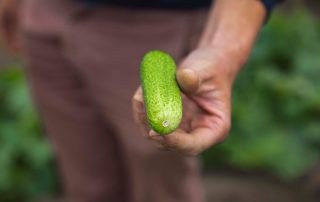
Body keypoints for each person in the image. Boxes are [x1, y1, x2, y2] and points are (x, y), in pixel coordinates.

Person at [0, 0, 283, 201]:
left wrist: (223, 49)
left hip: (158, 20)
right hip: (44, 15)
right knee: (87, 183)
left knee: (160, 186)